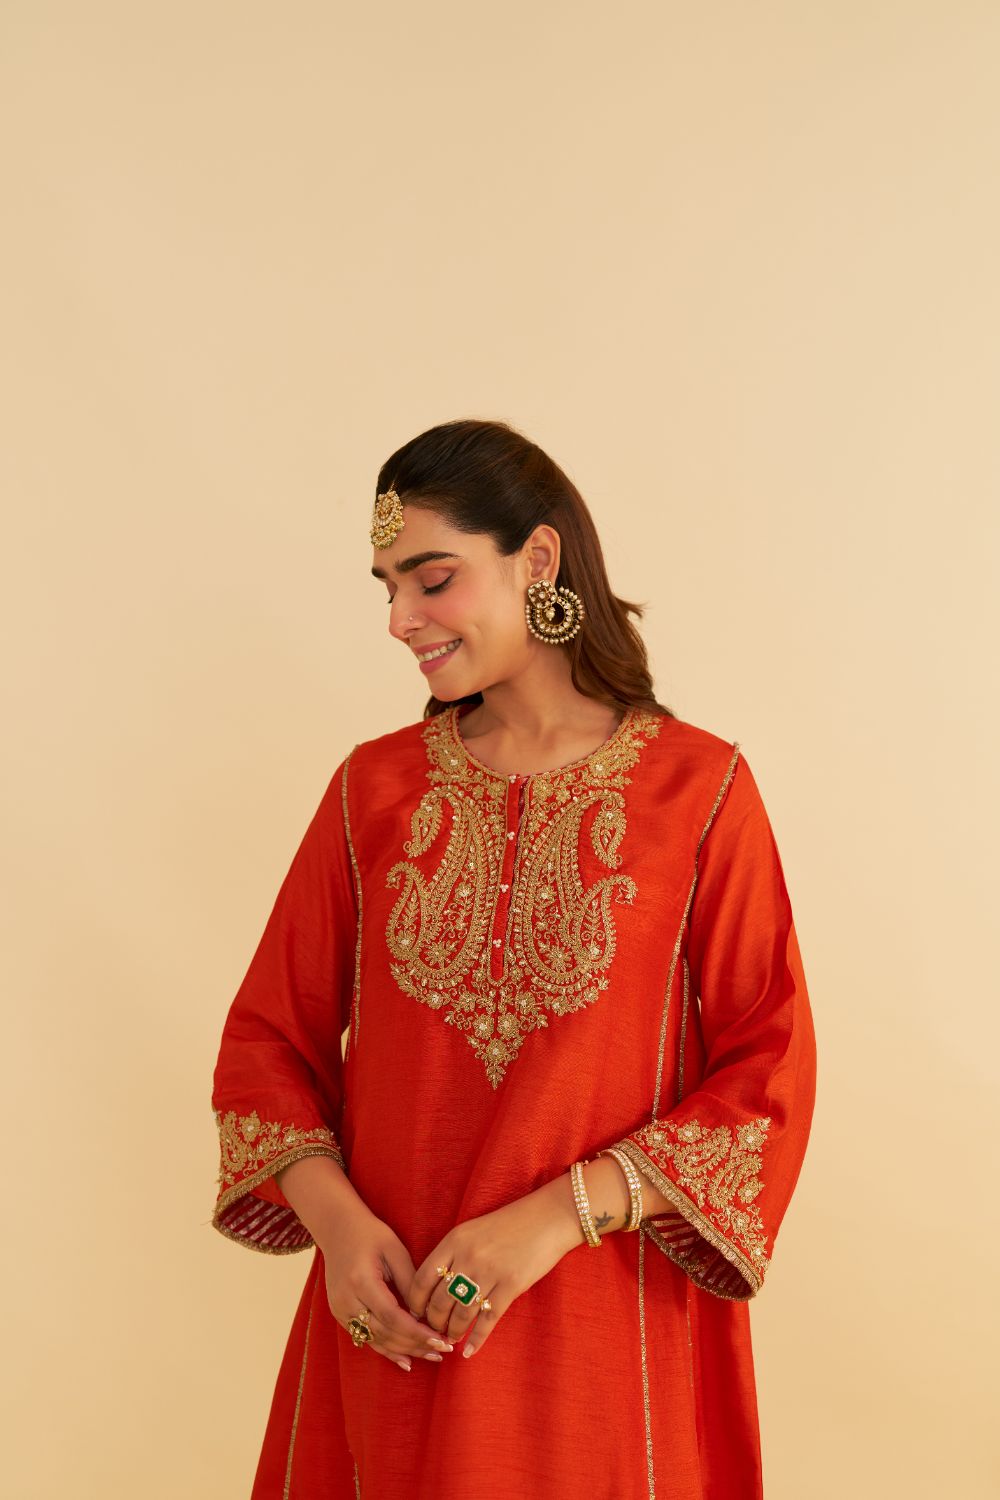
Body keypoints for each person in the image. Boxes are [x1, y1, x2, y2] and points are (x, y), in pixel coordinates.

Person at [209, 417, 817, 1500]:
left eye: (432, 579)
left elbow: (767, 1075)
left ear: (537, 560)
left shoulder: (700, 793)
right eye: (387, 587)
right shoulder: (372, 792)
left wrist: (555, 1216)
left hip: (599, 1338)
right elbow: (265, 1043)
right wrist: (339, 1232)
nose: (399, 618)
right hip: (393, 1333)